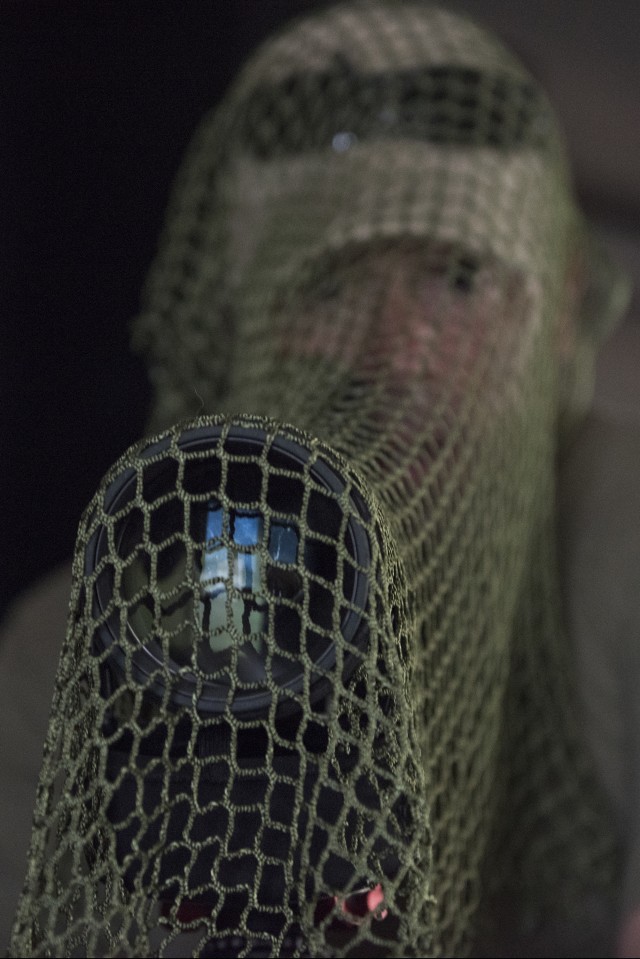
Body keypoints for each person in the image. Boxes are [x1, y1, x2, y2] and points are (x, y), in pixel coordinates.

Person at [3, 2, 635, 956]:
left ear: (561, 316)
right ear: (244, 325)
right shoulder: (88, 641)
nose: (395, 354)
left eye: (458, 278)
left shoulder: (619, 536)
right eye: (327, 286)